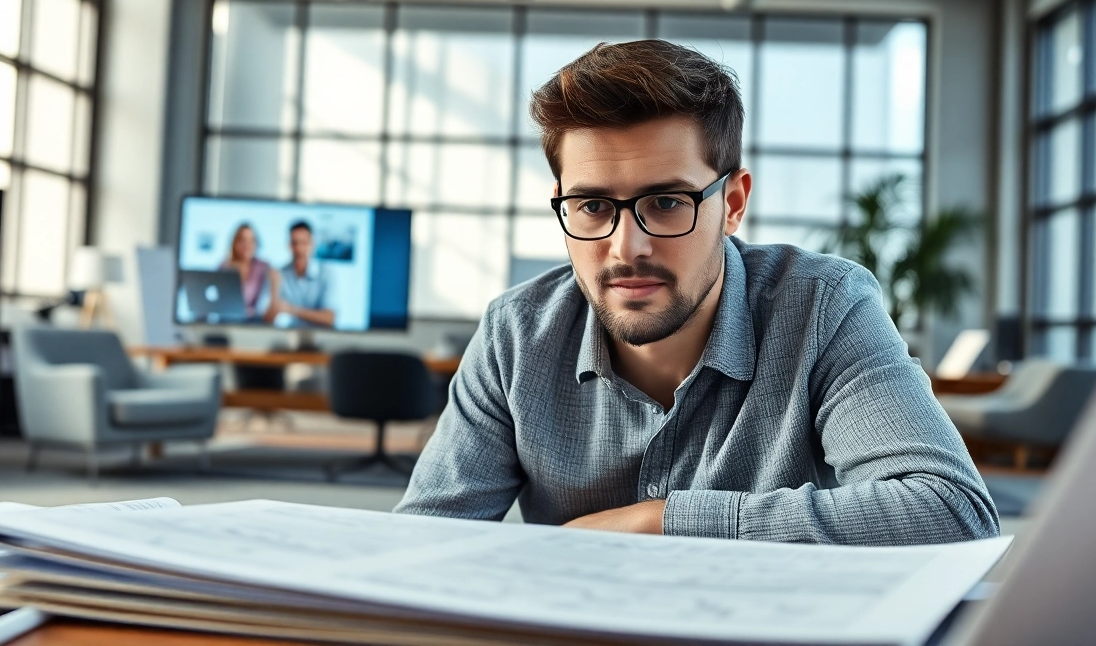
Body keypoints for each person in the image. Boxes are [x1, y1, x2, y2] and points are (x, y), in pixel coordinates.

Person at [395, 40, 999, 545]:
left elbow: (948, 510)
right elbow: (425, 544)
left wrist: (663, 521)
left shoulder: (823, 306)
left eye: (665, 202)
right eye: (592, 205)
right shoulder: (516, 334)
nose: (626, 247)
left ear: (732, 204)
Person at [266, 221, 336, 328]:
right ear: (289, 245)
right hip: (288, 339)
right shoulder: (279, 273)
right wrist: (274, 290)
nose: (299, 248)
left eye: (304, 243)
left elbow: (329, 318)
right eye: (295, 243)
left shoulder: (326, 274)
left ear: (312, 244)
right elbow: (268, 320)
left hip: (319, 339)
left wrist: (291, 310)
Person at [219, 223, 276, 319]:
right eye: (243, 240)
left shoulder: (263, 267)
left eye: (251, 240)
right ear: (235, 243)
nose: (247, 245)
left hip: (254, 321)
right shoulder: (224, 267)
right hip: (227, 319)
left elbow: (269, 304)